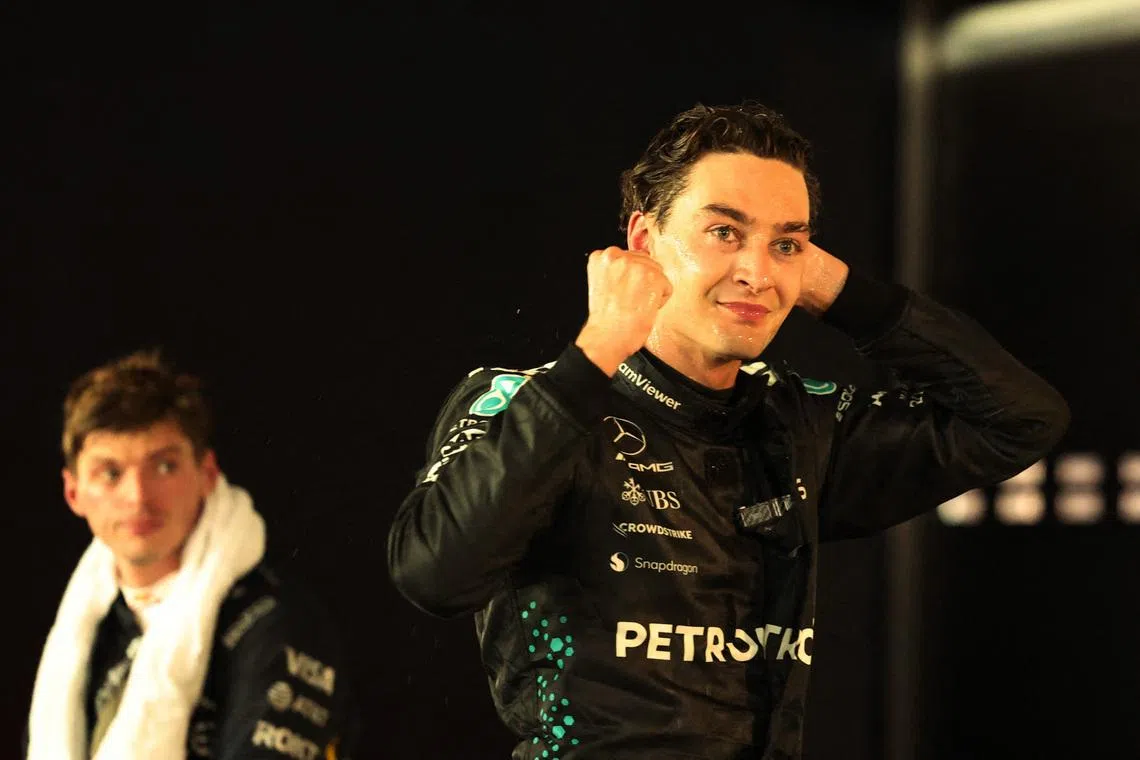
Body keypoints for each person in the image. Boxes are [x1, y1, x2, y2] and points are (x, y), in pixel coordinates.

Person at [387, 102, 1069, 759]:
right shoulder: (529, 399)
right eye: (724, 232)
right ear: (645, 241)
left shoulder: (800, 423)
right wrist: (594, 353)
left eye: (786, 242)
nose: (757, 270)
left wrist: (835, 289)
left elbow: (1020, 418)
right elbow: (434, 574)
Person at [25, 351, 358, 760]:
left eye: (163, 466)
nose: (138, 498)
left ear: (207, 473)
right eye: (110, 473)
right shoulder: (88, 631)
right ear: (73, 492)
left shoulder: (276, 623)